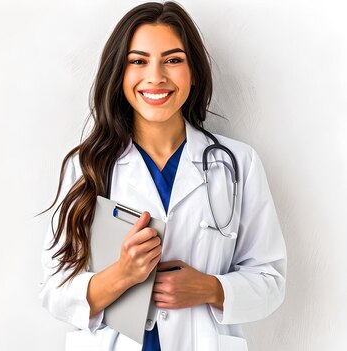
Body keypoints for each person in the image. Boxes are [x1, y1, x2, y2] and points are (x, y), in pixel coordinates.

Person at [38, 2, 287, 351]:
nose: (156, 76)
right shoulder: (88, 165)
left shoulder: (238, 164)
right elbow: (55, 291)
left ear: (194, 72)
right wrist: (123, 274)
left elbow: (271, 281)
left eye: (173, 60)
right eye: (138, 61)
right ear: (119, 74)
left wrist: (210, 288)